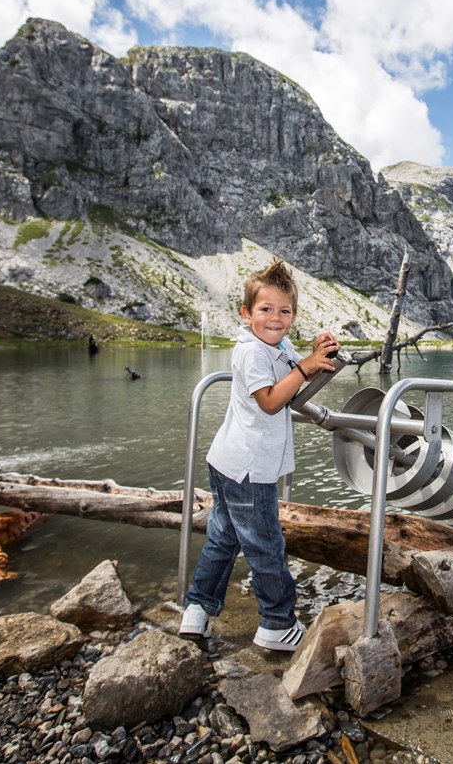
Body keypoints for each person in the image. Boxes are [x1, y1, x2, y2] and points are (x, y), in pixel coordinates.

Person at [180, 260, 341, 651]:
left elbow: (293, 370)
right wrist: (304, 369)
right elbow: (269, 400)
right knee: (267, 545)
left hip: (230, 463)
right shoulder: (251, 351)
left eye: (284, 311)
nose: (275, 318)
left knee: (223, 539)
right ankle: (277, 624)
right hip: (249, 470)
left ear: (293, 316)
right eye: (265, 309)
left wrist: (316, 353)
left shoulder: (276, 345)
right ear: (246, 314)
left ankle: (196, 611)